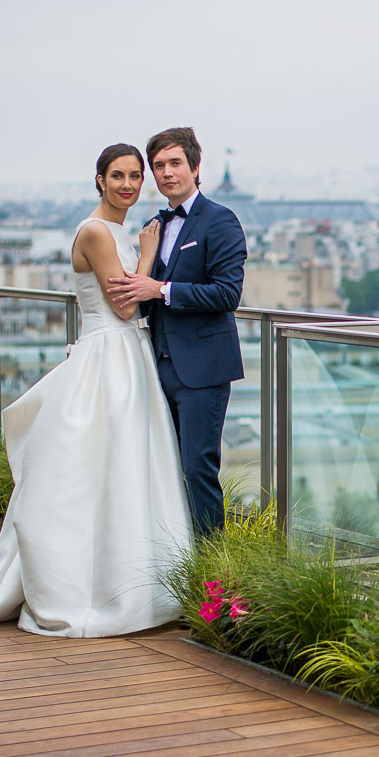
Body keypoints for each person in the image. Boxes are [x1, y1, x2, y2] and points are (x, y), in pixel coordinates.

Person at [0, 144, 190, 636]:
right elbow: (127, 307)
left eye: (135, 175)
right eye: (118, 176)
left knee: (114, 469)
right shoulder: (96, 231)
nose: (129, 184)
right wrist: (150, 256)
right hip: (112, 353)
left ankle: (123, 582)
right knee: (111, 468)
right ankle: (108, 588)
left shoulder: (110, 230)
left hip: (122, 355)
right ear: (98, 180)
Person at [108, 127, 247, 535]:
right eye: (159, 166)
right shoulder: (154, 225)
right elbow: (142, 291)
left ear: (195, 167)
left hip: (202, 370)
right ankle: (175, 558)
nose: (167, 173)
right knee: (162, 471)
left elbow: (227, 293)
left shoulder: (220, 220)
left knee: (197, 469)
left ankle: (213, 572)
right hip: (157, 365)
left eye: (175, 163)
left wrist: (161, 290)